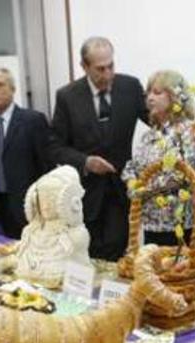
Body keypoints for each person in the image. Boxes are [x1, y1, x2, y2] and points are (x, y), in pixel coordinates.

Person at [50, 36, 148, 260]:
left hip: (120, 192)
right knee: (88, 256)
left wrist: (177, 108)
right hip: (85, 195)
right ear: (84, 66)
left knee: (117, 256)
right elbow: (54, 147)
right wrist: (86, 162)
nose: (107, 75)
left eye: (111, 66)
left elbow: (156, 120)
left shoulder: (130, 87)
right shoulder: (67, 96)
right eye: (100, 69)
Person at [121, 70, 195, 247]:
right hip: (151, 224)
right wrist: (131, 184)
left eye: (157, 93)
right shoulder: (150, 135)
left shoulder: (188, 132)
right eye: (148, 92)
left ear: (175, 97)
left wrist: (140, 191)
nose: (150, 98)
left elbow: (178, 176)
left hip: (177, 226)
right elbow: (131, 168)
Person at [0, 68, 56, 239]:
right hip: (2, 204)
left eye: (0, 85)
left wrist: (44, 205)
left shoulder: (32, 120)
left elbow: (46, 165)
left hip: (30, 206)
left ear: (13, 89)